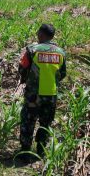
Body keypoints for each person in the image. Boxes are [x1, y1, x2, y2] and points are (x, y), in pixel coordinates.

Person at [18, 24, 66, 160]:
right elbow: (62, 73)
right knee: (45, 123)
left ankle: (25, 152)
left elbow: (22, 68)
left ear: (41, 34)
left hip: (33, 95)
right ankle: (41, 151)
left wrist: (27, 79)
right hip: (51, 95)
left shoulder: (32, 50)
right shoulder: (61, 52)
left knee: (28, 121)